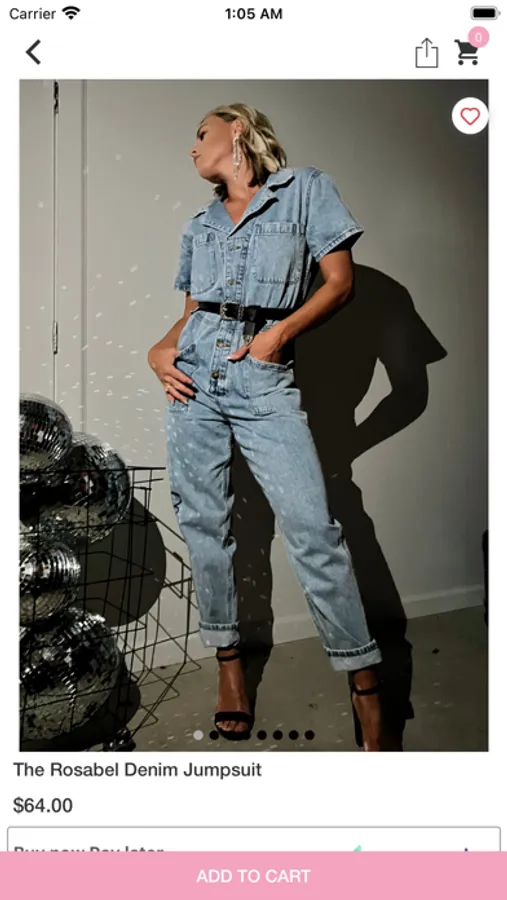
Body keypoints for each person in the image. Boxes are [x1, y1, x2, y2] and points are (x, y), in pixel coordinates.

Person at [148, 103, 384, 750]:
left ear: (238, 131)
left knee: (314, 529)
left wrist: (277, 335)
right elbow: (194, 313)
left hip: (262, 376)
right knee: (205, 524)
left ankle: (363, 679)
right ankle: (230, 667)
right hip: (193, 379)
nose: (192, 146)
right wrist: (159, 351)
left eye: (201, 133)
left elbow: (339, 283)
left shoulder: (304, 189)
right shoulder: (199, 225)